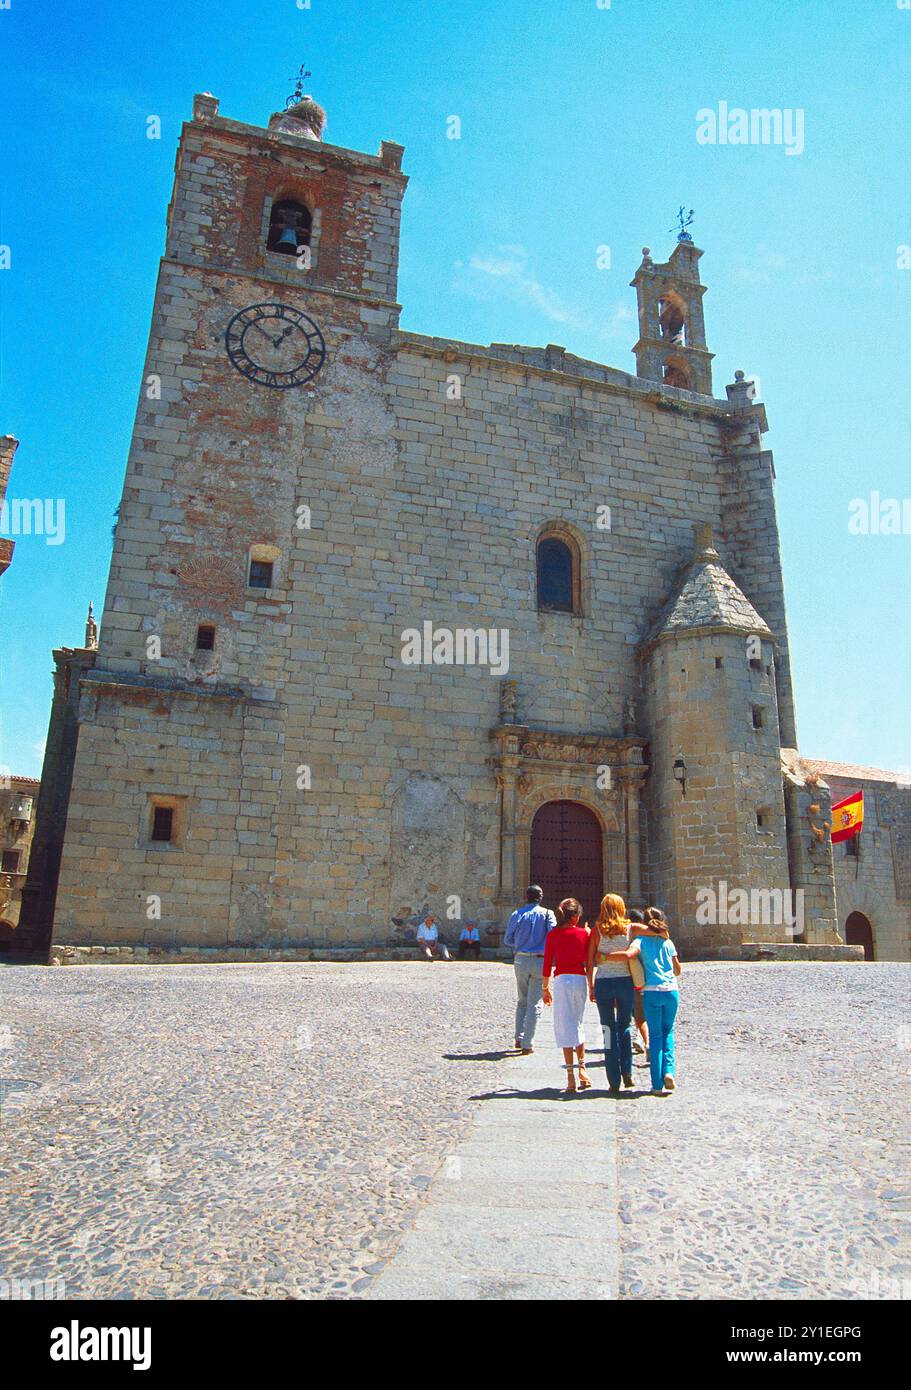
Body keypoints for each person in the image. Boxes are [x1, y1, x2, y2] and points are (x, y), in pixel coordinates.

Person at [604, 906, 681, 1095]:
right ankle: (669, 1072)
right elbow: (677, 970)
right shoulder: (667, 941)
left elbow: (629, 955)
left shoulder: (640, 940)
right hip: (672, 991)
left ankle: (656, 1085)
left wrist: (604, 956)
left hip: (652, 991)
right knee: (667, 1033)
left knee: (655, 1037)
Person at [542, 898, 592, 1094]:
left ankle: (570, 1077)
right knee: (578, 1023)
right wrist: (592, 985)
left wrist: (545, 989)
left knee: (565, 1026)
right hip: (579, 980)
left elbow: (547, 963)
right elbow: (589, 963)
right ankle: (583, 1070)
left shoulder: (553, 935)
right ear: (576, 916)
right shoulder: (584, 934)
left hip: (562, 981)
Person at [587, 893, 634, 1093]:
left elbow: (590, 961)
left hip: (604, 983)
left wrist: (590, 985)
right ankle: (627, 1073)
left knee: (607, 1029)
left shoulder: (597, 930)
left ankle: (613, 1080)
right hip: (625, 983)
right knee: (624, 1026)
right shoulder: (631, 928)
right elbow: (657, 930)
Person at [504, 885, 555, 1053]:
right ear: (540, 897)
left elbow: (507, 939)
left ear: (526, 896)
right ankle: (528, 1043)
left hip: (520, 960)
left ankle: (519, 1038)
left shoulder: (516, 914)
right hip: (540, 961)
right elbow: (553, 936)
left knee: (522, 1001)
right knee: (534, 1003)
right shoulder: (548, 914)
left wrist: (521, 945)